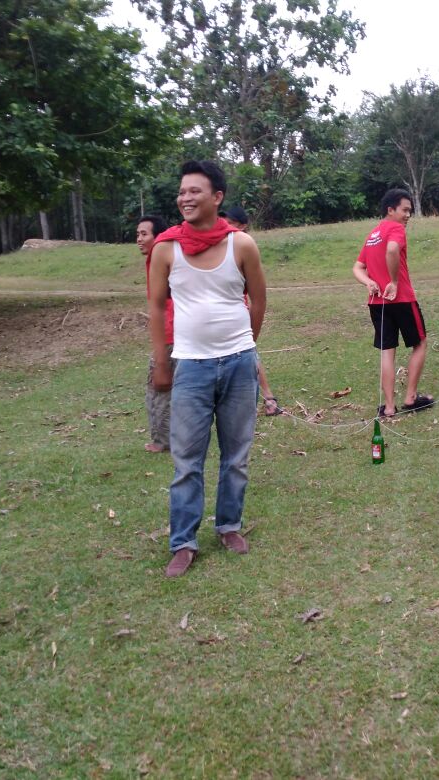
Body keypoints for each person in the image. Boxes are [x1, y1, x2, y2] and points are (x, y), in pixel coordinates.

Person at [148, 160, 267, 578]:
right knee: (187, 461)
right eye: (182, 191)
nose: (185, 198)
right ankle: (183, 542)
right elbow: (156, 307)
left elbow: (259, 299)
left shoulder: (242, 245)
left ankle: (229, 526)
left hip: (239, 365)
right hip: (191, 367)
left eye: (194, 191)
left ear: (217, 197)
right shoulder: (166, 248)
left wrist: (246, 344)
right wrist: (162, 362)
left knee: (236, 456)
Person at [352, 188, 433, 418]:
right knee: (420, 343)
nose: (408, 215)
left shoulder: (373, 234)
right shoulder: (395, 228)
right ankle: (410, 398)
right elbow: (392, 249)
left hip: (377, 303)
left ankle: (388, 407)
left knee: (387, 352)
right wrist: (394, 281)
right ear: (391, 210)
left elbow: (357, 268)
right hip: (402, 299)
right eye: (405, 210)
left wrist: (369, 282)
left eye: (410, 211)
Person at [221, 205, 283, 416]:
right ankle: (267, 398)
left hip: (237, 313)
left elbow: (257, 294)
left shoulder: (244, 248)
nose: (224, 227)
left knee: (248, 351)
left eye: (230, 223)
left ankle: (268, 398)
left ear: (242, 226)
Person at [137, 214, 171, 452]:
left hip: (170, 334)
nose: (139, 239)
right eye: (137, 234)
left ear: (157, 237)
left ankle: (162, 441)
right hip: (176, 333)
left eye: (144, 234)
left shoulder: (160, 257)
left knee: (159, 388)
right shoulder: (165, 256)